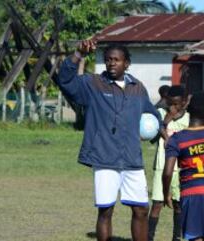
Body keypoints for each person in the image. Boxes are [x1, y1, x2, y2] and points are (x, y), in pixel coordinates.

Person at [57, 39, 164, 241]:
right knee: (105, 211)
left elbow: (151, 115)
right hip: (104, 158)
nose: (111, 63)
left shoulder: (137, 88)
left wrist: (163, 129)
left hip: (132, 159)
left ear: (127, 63)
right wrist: (78, 54)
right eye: (108, 60)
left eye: (116, 60)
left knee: (141, 210)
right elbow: (65, 80)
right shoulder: (93, 83)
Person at [163, 92, 204, 241]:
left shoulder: (177, 139)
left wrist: (166, 192)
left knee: (195, 237)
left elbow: (167, 172)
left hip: (192, 193)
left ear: (188, 110)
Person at [148, 85, 189, 241]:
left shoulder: (188, 119)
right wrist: (168, 119)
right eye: (170, 104)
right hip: (161, 166)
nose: (173, 107)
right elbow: (158, 129)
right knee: (157, 204)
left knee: (178, 204)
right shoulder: (160, 114)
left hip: (181, 167)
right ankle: (149, 237)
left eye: (176, 104)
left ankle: (176, 237)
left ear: (184, 102)